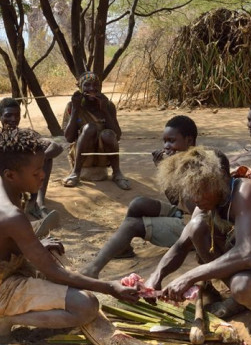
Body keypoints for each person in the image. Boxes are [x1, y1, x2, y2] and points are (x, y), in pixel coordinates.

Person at [0, 127, 139, 345]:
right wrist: (110, 287)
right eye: (36, 172)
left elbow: (51, 146)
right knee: (86, 306)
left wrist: (36, 245)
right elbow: (53, 272)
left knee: (55, 253)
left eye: (43, 167)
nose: (43, 175)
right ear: (11, 175)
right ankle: (2, 318)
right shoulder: (9, 215)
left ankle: (2, 310)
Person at [144, 147, 251, 341]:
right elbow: (181, 245)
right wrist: (156, 276)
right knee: (197, 228)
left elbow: (247, 254)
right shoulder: (210, 198)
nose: (196, 199)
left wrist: (189, 277)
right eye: (191, 191)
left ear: (219, 178)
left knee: (242, 285)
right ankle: (241, 300)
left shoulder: (246, 193)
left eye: (201, 190)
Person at [79, 115, 198, 278]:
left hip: (195, 227)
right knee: (138, 204)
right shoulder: (179, 161)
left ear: (189, 141)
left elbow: (196, 208)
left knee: (132, 225)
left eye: (171, 141)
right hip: (182, 214)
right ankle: (124, 248)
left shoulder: (197, 167)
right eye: (164, 142)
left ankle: (92, 270)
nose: (166, 147)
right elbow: (175, 201)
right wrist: (163, 169)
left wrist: (173, 175)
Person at [0, 97, 63, 220]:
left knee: (45, 157)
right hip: (8, 177)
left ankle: (37, 202)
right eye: (8, 115)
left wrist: (39, 159)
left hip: (25, 177)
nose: (13, 119)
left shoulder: (26, 134)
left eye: (17, 115)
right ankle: (8, 200)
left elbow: (56, 146)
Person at [62, 72, 130, 190]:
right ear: (80, 87)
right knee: (90, 128)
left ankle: (117, 173)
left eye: (95, 85)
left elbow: (117, 135)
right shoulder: (72, 105)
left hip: (103, 156)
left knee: (108, 134)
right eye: (87, 85)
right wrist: (75, 109)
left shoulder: (108, 105)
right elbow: (69, 138)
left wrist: (104, 110)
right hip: (82, 155)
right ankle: (75, 172)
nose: (92, 89)